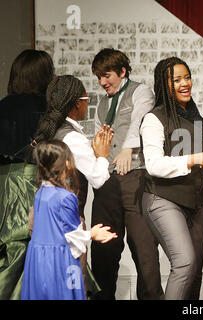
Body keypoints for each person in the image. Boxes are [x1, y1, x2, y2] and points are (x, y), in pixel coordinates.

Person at [32, 74, 114, 297]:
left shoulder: (53, 130)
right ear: (78, 103)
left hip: (44, 224)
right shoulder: (73, 138)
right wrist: (103, 156)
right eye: (86, 98)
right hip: (68, 220)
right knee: (73, 281)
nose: (88, 103)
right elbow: (98, 178)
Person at [140, 57, 203, 300]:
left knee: (195, 273)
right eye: (176, 80)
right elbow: (154, 164)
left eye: (187, 77)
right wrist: (195, 159)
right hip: (163, 199)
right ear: (164, 84)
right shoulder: (154, 118)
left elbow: (198, 158)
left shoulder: (194, 115)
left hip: (196, 203)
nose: (185, 84)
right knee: (184, 263)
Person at [90, 48, 162, 300]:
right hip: (108, 181)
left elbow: (140, 120)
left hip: (136, 176)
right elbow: (101, 135)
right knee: (104, 246)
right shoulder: (102, 102)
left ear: (122, 71)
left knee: (143, 247)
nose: (102, 82)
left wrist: (128, 149)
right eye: (99, 77)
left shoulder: (140, 91)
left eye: (106, 75)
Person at [20, 140, 117, 300]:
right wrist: (92, 234)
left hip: (38, 263)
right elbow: (72, 238)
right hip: (59, 264)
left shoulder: (40, 194)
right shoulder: (66, 198)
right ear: (66, 163)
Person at [0, 49, 54, 299]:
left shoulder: (3, 107)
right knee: (33, 244)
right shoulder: (47, 109)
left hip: (3, 183)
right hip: (33, 180)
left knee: (9, 246)